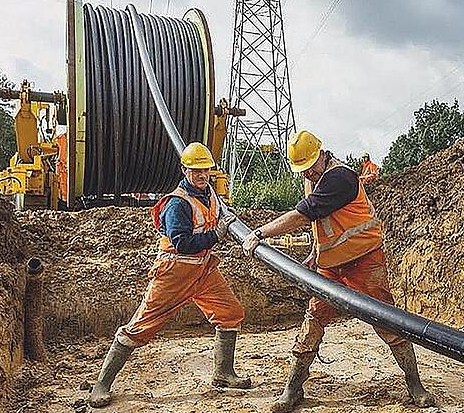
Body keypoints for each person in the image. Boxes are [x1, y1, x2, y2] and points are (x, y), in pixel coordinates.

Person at [242, 130, 435, 412]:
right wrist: (315, 252)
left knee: (387, 320)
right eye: (302, 169)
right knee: (313, 321)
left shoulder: (340, 178)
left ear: (321, 154)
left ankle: (415, 385)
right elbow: (322, 223)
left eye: (308, 167)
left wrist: (260, 232)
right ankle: (293, 390)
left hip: (364, 261)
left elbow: (304, 214)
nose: (306, 174)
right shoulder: (314, 178)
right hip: (331, 267)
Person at [88, 142, 251, 408]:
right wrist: (216, 235)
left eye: (205, 170)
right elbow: (182, 242)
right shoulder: (177, 204)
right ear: (184, 170)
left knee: (230, 313)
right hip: (175, 272)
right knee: (139, 327)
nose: (202, 176)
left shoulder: (210, 192)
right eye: (196, 171)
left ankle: (223, 374)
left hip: (203, 270)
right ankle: (101, 385)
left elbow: (218, 214)